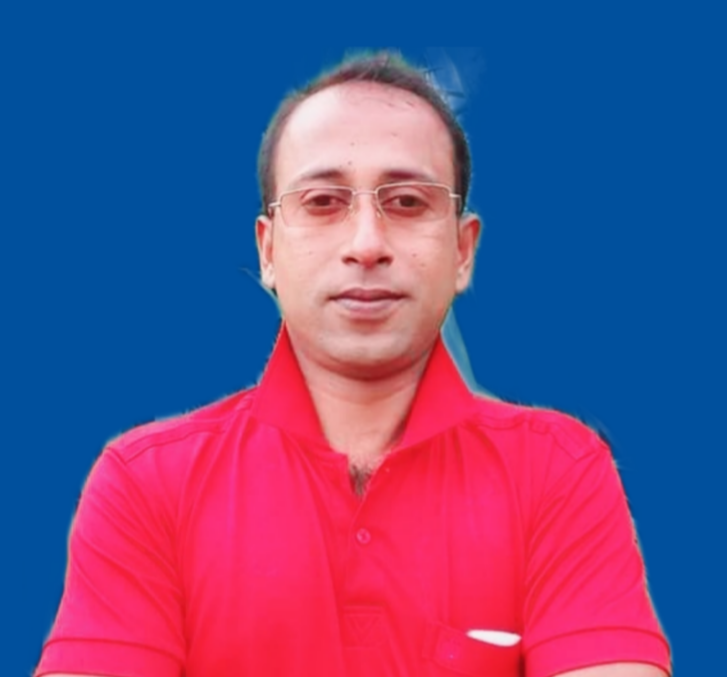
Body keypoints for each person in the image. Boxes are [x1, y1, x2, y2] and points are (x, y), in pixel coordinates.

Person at [35, 51, 671, 677]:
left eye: (408, 202)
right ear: (268, 251)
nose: (366, 244)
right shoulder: (148, 485)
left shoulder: (558, 472)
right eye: (322, 202)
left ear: (462, 250)